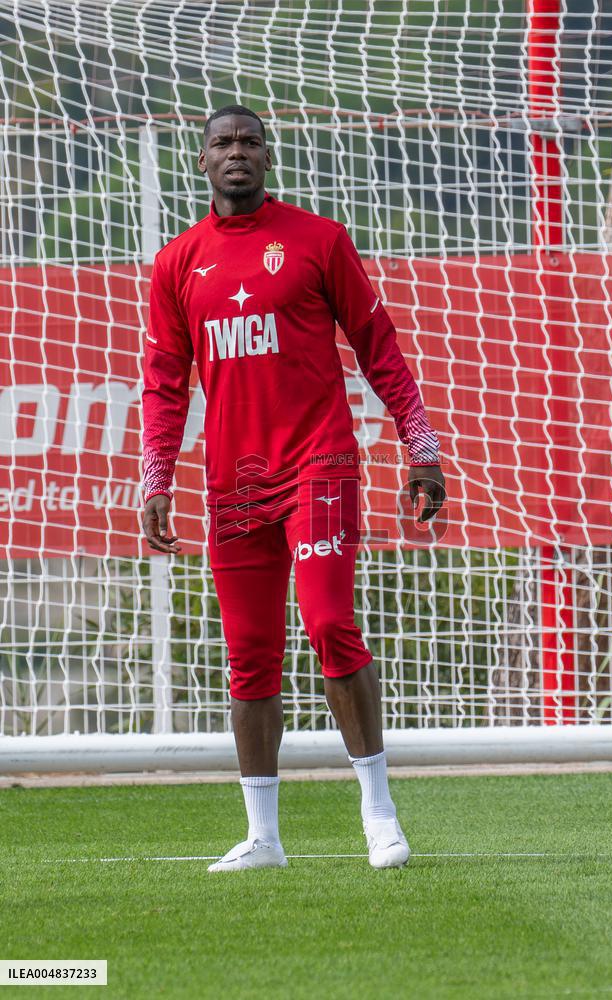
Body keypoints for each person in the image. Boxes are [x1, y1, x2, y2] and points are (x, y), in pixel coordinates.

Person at [141, 104, 446, 872]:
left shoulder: (318, 240)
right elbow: (164, 383)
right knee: (249, 655)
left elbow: (379, 347)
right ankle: (264, 837)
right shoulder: (177, 263)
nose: (236, 153)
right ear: (202, 160)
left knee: (329, 622)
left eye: (249, 142)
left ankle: (379, 813)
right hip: (233, 484)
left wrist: (421, 447)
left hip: (320, 466)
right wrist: (156, 478)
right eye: (222, 143)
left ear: (267, 156)